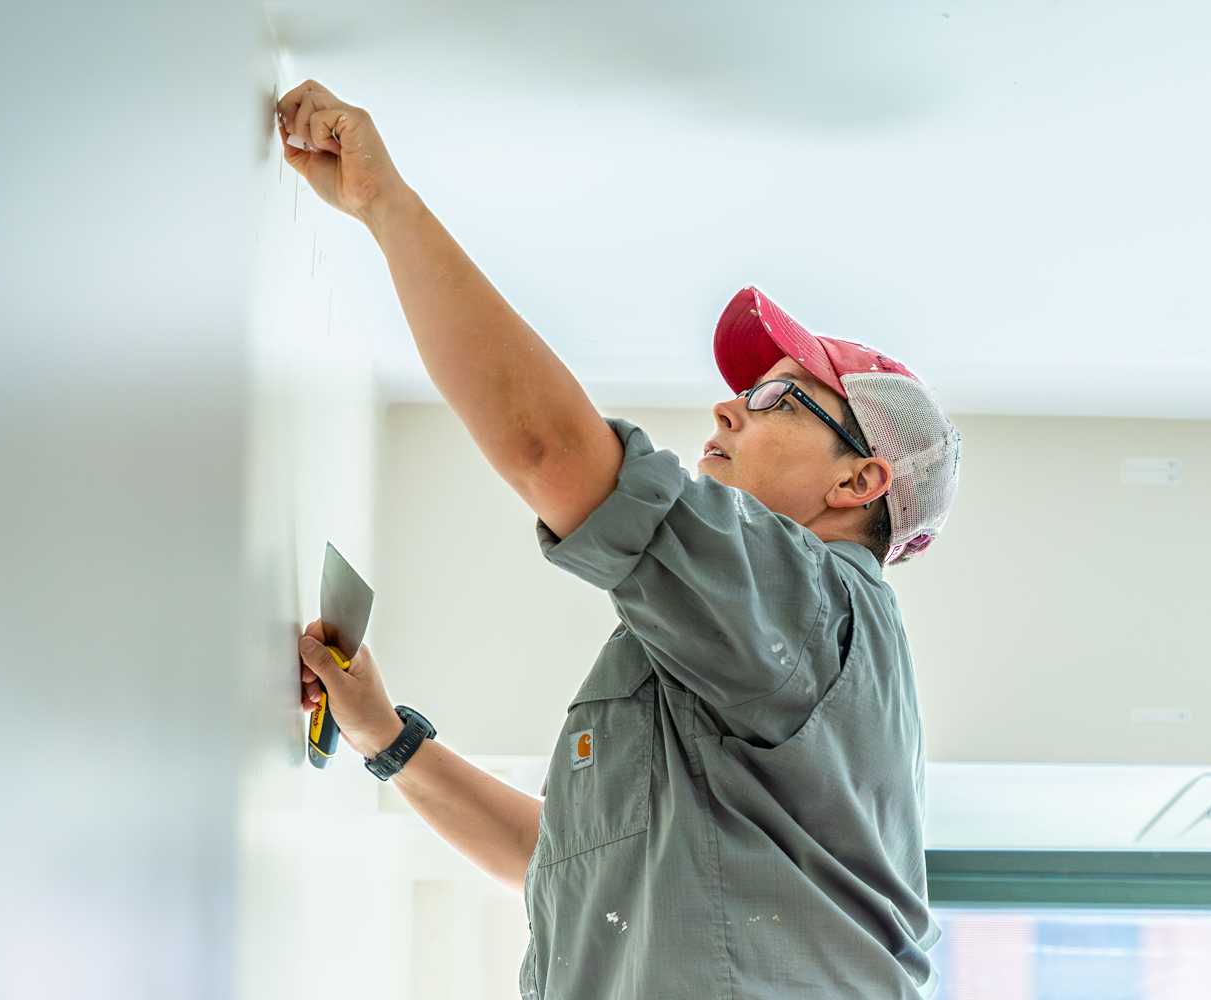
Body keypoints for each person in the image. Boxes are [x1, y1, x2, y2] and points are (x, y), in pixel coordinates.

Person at [275, 80, 959, 998]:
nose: (728, 405)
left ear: (858, 481)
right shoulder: (740, 648)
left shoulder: (814, 607)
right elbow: (561, 859)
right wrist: (382, 736)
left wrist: (382, 203)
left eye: (775, 398)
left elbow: (548, 449)